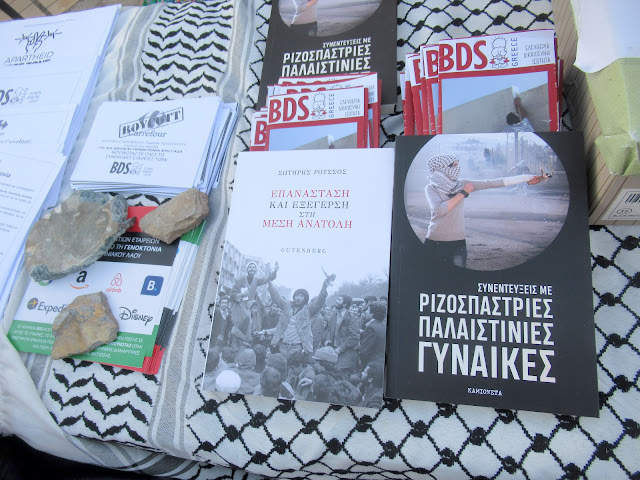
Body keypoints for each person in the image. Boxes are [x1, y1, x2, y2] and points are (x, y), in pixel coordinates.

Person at [423, 154, 545, 268]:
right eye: (453, 166)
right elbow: (439, 210)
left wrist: (528, 177)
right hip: (435, 242)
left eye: (457, 165)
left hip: (458, 243)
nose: (457, 169)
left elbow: (492, 183)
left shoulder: (462, 183)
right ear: (442, 169)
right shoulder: (431, 188)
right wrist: (463, 192)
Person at [266, 269, 334, 359]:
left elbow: (319, 302)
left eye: (301, 296)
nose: (298, 298)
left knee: (293, 367)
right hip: (283, 346)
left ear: (305, 299)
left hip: (297, 348)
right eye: (297, 295)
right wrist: (269, 282)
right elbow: (276, 297)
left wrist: (324, 287)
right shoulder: (287, 306)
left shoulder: (308, 310)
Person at [329, 296, 361, 378]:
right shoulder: (334, 315)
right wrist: (328, 340)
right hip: (333, 351)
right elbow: (330, 331)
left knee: (342, 378)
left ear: (345, 304)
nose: (336, 301)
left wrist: (340, 349)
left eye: (339, 300)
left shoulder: (352, 317)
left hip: (346, 353)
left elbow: (354, 337)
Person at [359, 301, 387, 370]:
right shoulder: (384, 325)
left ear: (372, 313)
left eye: (368, 310)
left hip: (371, 364)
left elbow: (364, 351)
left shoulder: (371, 328)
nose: (366, 312)